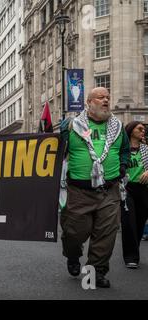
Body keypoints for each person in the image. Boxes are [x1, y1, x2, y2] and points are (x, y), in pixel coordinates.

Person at [60, 87, 130, 288]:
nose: (106, 100)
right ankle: (73, 256)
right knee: (74, 232)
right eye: (101, 97)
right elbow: (56, 151)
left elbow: (124, 151)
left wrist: (123, 166)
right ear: (89, 102)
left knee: (105, 235)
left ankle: (95, 273)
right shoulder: (71, 125)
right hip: (79, 191)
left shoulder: (118, 127)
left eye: (108, 97)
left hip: (109, 190)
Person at [120, 121, 148, 269]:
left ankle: (133, 248)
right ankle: (131, 257)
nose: (143, 131)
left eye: (144, 129)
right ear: (131, 131)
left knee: (139, 221)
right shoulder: (122, 149)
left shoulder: (146, 149)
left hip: (143, 190)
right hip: (127, 189)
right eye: (140, 129)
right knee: (128, 222)